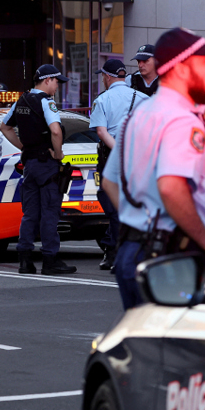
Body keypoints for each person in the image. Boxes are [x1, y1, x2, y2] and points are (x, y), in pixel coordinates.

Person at [102, 28, 205, 309]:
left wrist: (141, 220)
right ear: (183, 68)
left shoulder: (137, 115)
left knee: (146, 347)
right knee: (182, 349)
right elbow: (171, 187)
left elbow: (109, 182)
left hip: (133, 252)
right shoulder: (183, 120)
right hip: (170, 258)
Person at [0, 64, 77, 275]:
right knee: (50, 213)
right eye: (56, 82)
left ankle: (25, 261)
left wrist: (24, 147)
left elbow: (5, 127)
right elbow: (55, 130)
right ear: (47, 80)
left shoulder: (22, 100)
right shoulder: (46, 102)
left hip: (29, 165)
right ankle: (50, 260)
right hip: (46, 164)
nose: (57, 86)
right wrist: (59, 153)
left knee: (30, 214)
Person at [90, 59, 147, 271]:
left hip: (111, 156)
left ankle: (117, 253)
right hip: (137, 156)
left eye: (103, 76)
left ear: (108, 76)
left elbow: (101, 132)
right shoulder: (142, 98)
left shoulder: (102, 100)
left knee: (112, 204)